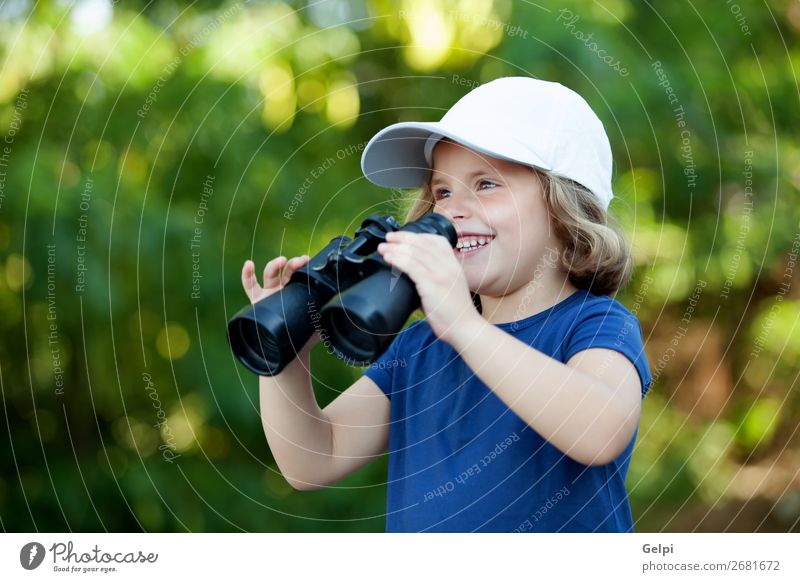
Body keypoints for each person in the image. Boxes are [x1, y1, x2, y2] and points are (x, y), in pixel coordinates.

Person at [241, 76, 653, 532]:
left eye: (487, 184)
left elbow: (599, 431)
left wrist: (463, 324)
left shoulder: (594, 326)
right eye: (442, 192)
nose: (454, 210)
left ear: (564, 207)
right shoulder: (420, 350)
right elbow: (312, 461)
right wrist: (283, 347)